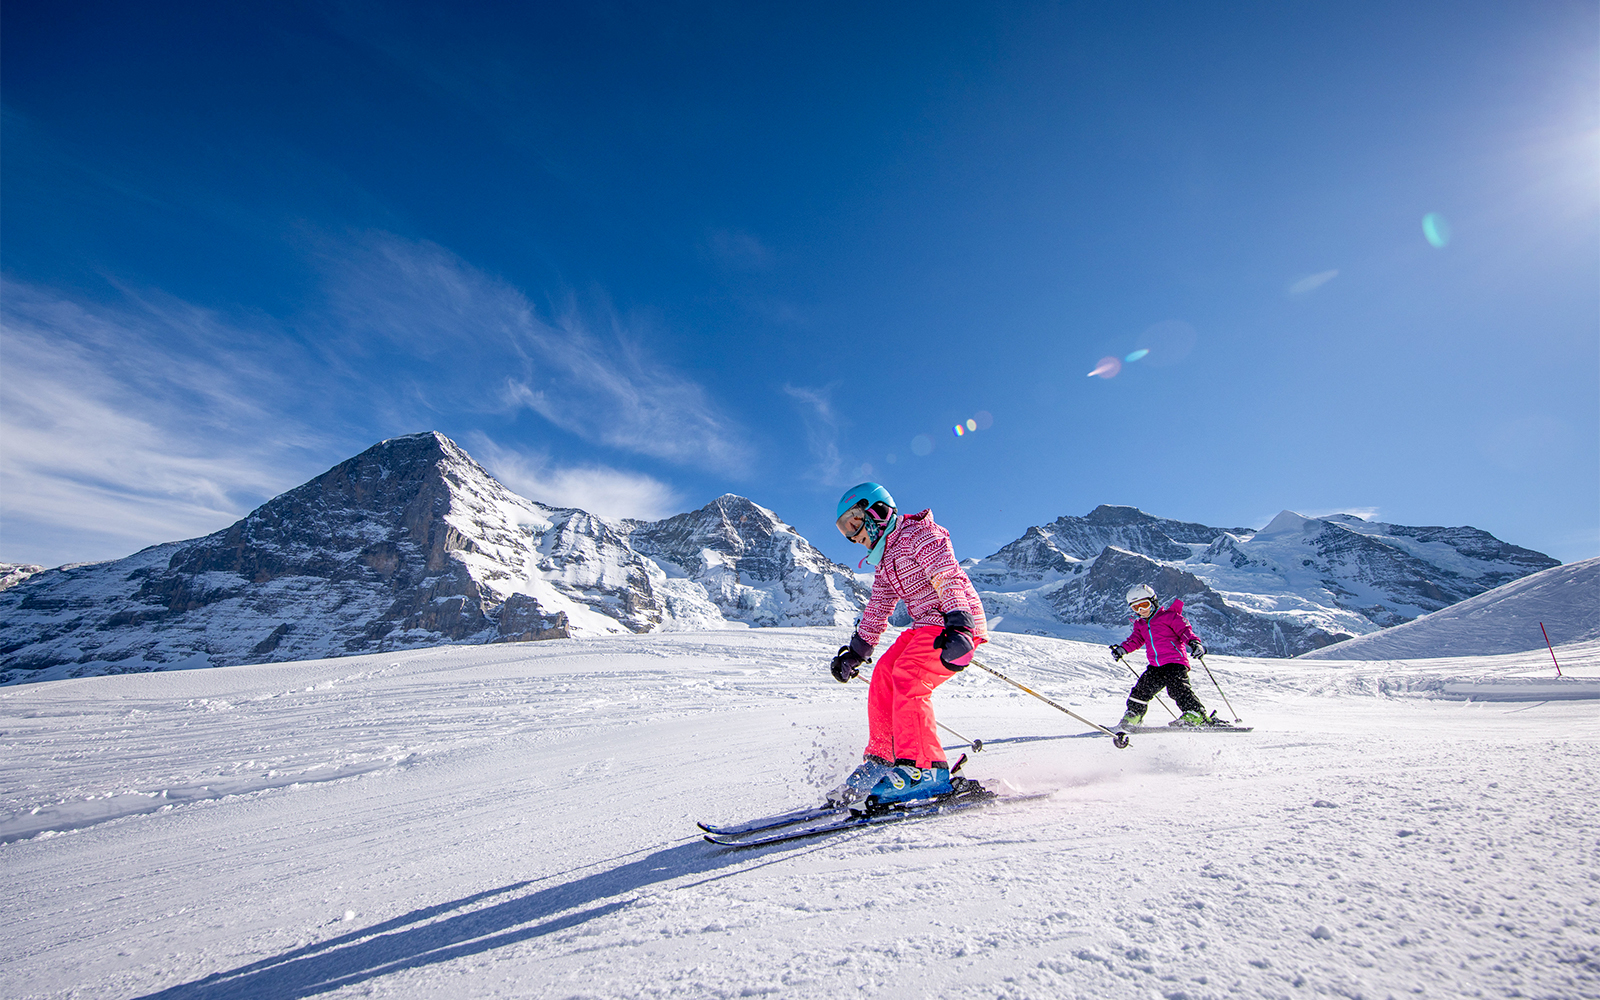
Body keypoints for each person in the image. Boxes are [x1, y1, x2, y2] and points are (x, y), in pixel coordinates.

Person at [824, 482, 989, 808]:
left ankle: (926, 770)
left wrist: (960, 623)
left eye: (854, 522)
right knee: (885, 674)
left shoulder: (922, 535)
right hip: (927, 625)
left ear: (878, 511)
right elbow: (878, 607)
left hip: (954, 624)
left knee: (909, 675)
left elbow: (948, 577)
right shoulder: (886, 560)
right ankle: (883, 760)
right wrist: (857, 651)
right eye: (845, 529)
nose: (853, 535)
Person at [1111, 584, 1212, 728]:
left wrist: (1195, 643)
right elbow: (1135, 640)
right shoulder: (1140, 624)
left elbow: (1185, 631)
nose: (1141, 610)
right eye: (1136, 608)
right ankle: (1134, 715)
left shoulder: (1170, 617)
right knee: (1141, 689)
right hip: (1156, 666)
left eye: (1144, 605)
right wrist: (1122, 650)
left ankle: (1195, 714)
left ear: (1153, 601)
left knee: (1177, 687)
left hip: (1175, 662)